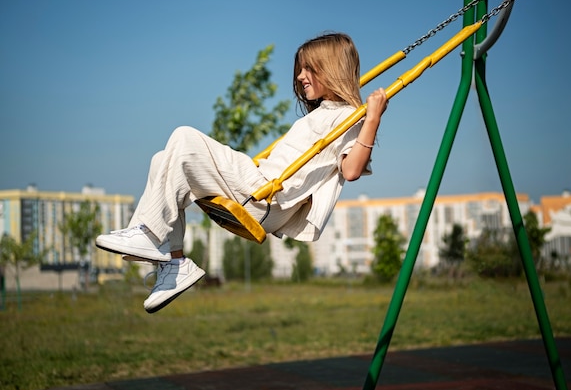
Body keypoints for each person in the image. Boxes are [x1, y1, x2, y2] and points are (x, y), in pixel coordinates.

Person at [96, 32, 388, 313]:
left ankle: (148, 233)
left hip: (264, 196)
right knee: (162, 160)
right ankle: (174, 264)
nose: (300, 76)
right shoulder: (325, 113)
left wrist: (372, 117)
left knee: (184, 138)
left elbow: (351, 170)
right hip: (258, 186)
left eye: (309, 68)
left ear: (331, 69)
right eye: (300, 69)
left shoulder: (351, 117)